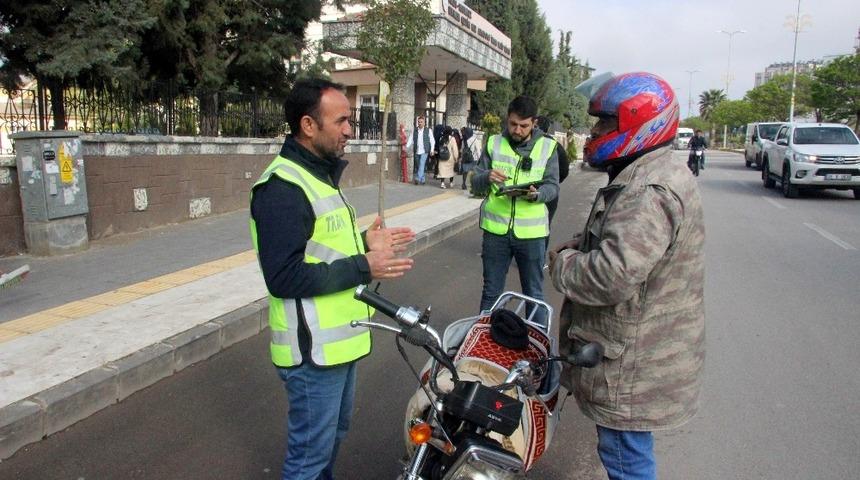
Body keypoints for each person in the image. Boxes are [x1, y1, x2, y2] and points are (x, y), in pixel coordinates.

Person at [250, 78, 416, 480]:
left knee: (329, 443)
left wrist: (363, 241)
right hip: (313, 356)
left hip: (336, 346)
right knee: (308, 460)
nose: (349, 130)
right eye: (341, 120)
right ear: (308, 125)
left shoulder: (318, 176)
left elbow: (318, 247)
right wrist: (365, 265)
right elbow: (284, 276)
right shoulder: (282, 187)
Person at [548, 72, 705, 480]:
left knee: (625, 460)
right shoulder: (647, 174)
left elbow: (610, 276)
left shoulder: (647, 190)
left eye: (604, 124)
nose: (595, 132)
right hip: (641, 352)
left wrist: (561, 265)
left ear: (637, 124)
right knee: (628, 454)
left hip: (633, 363)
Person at [470, 95, 559, 316]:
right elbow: (475, 181)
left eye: (523, 125)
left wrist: (537, 195)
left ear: (534, 123)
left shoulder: (548, 147)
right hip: (495, 232)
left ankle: (536, 348)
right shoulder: (493, 142)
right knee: (491, 292)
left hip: (532, 235)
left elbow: (552, 186)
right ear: (507, 119)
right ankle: (485, 344)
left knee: (534, 294)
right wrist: (487, 176)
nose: (517, 130)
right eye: (512, 124)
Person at [535, 115, 570, 248]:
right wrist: (553, 183)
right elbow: (565, 170)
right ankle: (539, 257)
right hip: (550, 193)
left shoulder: (527, 143)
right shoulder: (555, 145)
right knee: (544, 225)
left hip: (530, 190)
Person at [405, 115, 434, 184]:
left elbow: (432, 140)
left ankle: (418, 178)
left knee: (422, 163)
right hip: (417, 150)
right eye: (419, 122)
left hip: (425, 150)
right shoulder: (414, 130)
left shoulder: (428, 130)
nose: (420, 123)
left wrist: (432, 150)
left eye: (421, 122)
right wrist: (406, 147)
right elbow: (411, 139)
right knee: (419, 165)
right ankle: (423, 179)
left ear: (424, 123)